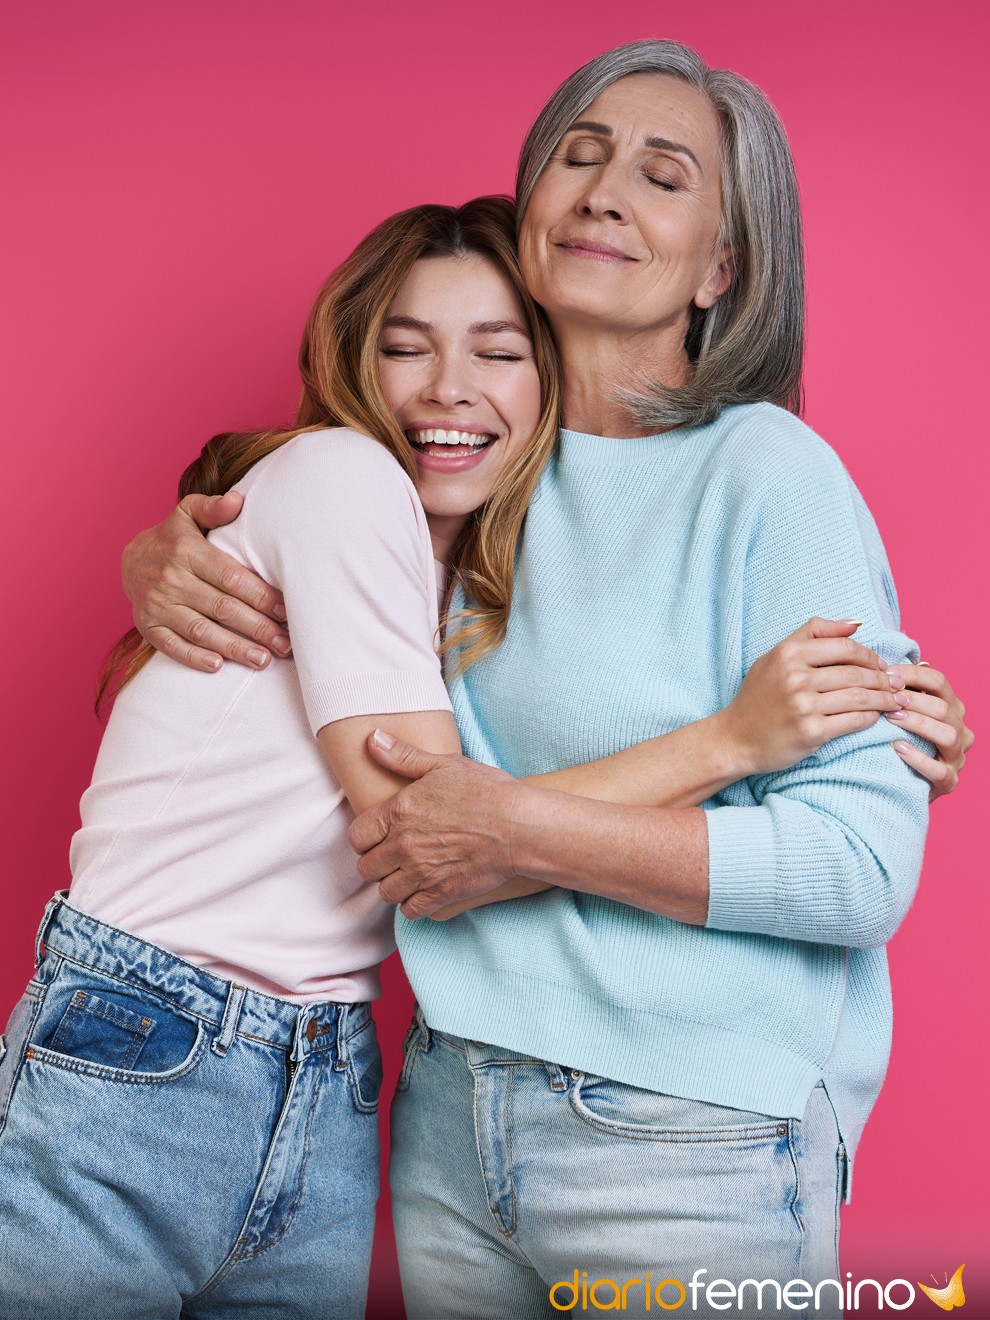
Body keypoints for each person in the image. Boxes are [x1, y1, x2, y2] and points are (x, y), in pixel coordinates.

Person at [118, 43, 974, 1320]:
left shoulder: (770, 476)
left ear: (721, 271)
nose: (606, 188)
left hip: (695, 1135)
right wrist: (167, 552)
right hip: (449, 1119)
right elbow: (299, 538)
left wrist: (511, 831)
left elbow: (857, 869)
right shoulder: (457, 475)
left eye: (663, 173)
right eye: (577, 154)